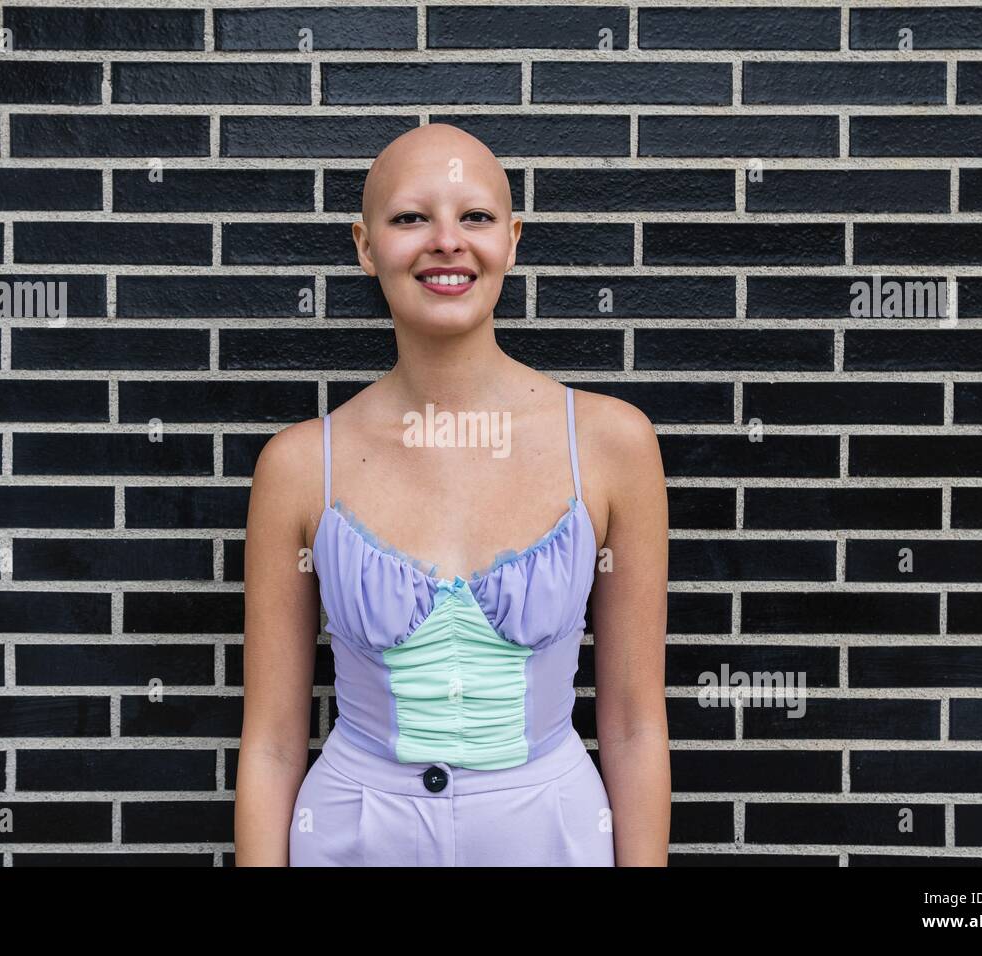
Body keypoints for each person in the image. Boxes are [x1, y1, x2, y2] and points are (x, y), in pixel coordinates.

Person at [233, 123, 670, 866]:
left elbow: (631, 724)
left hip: (553, 839)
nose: (446, 241)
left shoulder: (610, 444)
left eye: (475, 217)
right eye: (410, 218)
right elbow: (272, 743)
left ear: (514, 239)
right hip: (350, 840)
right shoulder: (301, 465)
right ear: (366, 247)